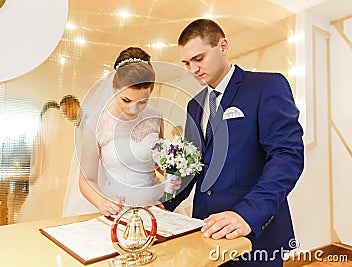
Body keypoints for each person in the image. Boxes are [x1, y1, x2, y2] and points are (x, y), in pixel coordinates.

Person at [163, 19, 304, 266]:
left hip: (254, 233)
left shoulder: (266, 85)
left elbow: (286, 156)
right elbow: (193, 164)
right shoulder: (194, 105)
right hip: (205, 231)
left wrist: (247, 214)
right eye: (187, 63)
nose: (193, 69)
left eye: (199, 58)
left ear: (223, 46)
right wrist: (164, 202)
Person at [64, 47, 180, 216]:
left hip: (155, 205)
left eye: (142, 102)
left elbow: (158, 162)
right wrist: (103, 203)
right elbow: (86, 180)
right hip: (119, 208)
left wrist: (172, 175)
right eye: (126, 100)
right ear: (114, 87)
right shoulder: (95, 123)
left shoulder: (155, 116)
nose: (133, 110)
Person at [17, 100, 76, 222]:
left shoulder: (41, 134)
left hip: (46, 187)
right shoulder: (70, 133)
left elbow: (38, 168)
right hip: (65, 188)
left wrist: (30, 178)